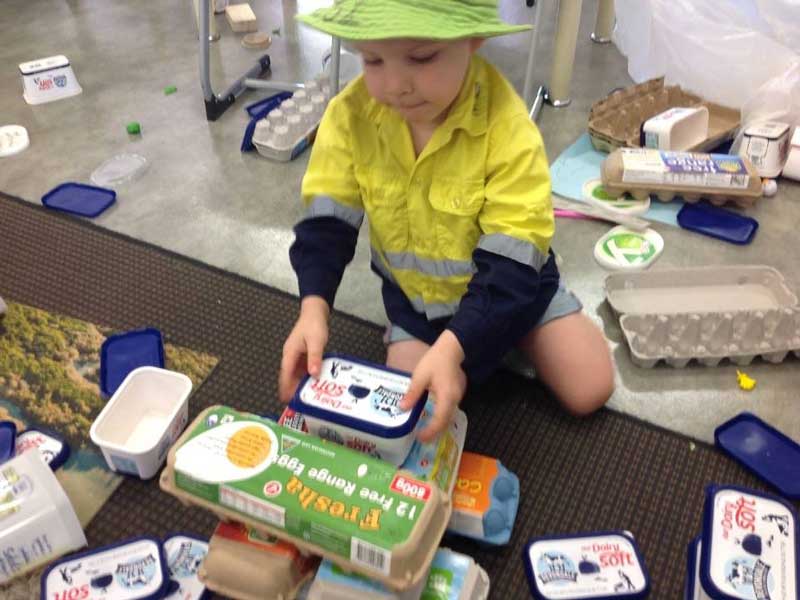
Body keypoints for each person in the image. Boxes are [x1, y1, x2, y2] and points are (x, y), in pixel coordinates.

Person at [279, 0, 614, 442]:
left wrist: (457, 349)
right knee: (414, 414)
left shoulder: (509, 130)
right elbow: (327, 223)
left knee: (590, 387)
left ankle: (509, 340)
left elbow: (512, 267)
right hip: (418, 308)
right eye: (373, 59)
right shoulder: (349, 116)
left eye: (421, 57)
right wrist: (313, 308)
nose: (396, 84)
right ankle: (469, 357)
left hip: (512, 293)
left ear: (473, 40)